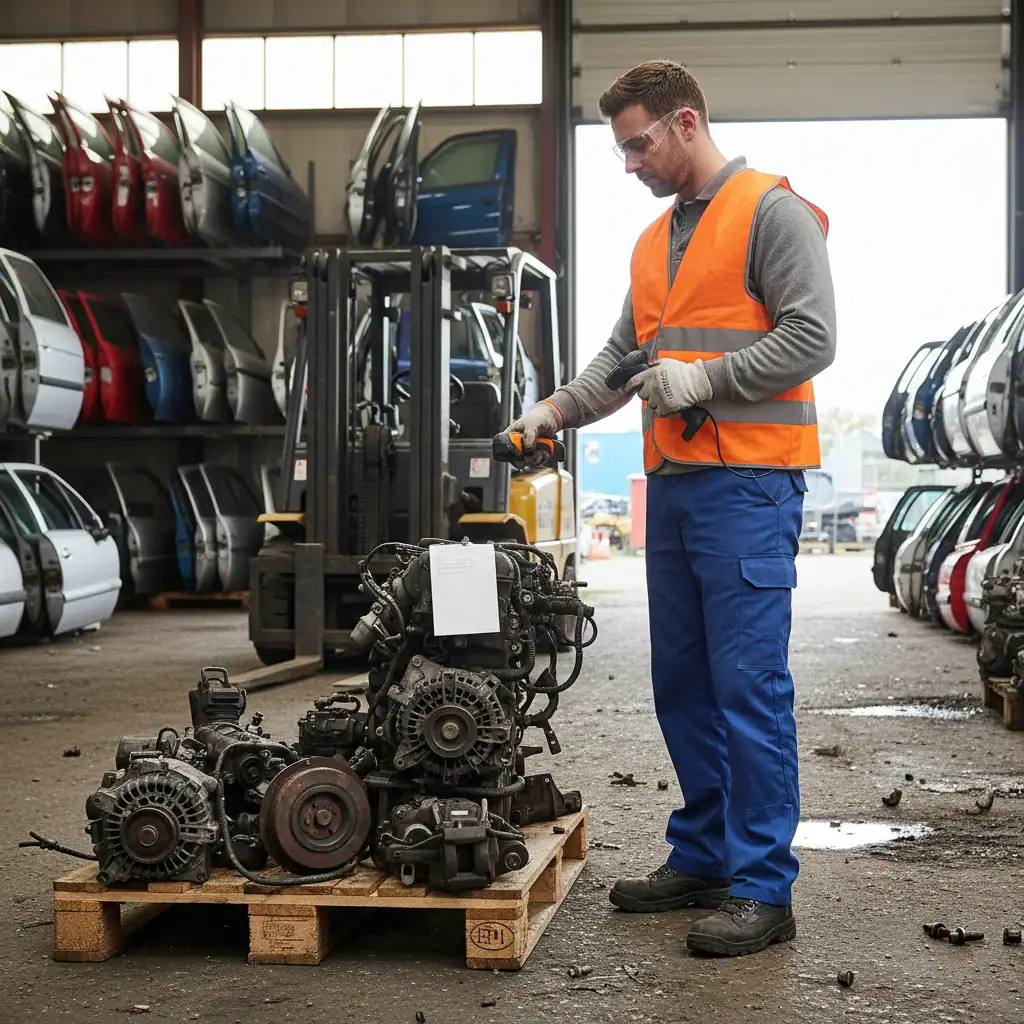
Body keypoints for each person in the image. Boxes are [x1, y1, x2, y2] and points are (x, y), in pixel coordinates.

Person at [508, 60, 836, 957]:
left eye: (638, 143)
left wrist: (705, 380)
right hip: (679, 487)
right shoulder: (655, 242)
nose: (629, 163)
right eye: (620, 149)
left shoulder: (772, 212)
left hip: (750, 487)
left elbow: (814, 337)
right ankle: (706, 855)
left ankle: (764, 887)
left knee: (748, 689)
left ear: (686, 123)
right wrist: (553, 411)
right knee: (683, 686)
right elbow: (620, 360)